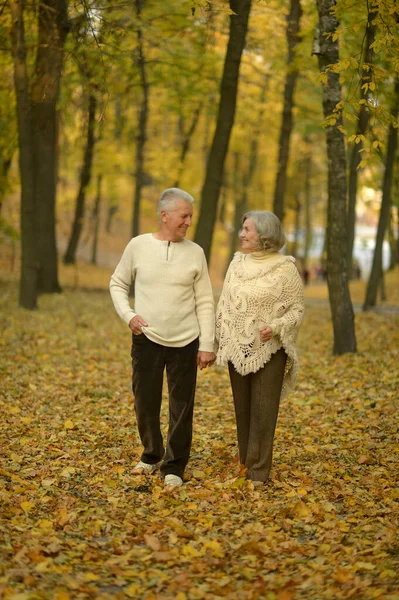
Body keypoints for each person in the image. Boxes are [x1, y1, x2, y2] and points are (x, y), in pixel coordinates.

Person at [110, 188, 216, 488]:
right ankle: (151, 454)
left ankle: (174, 465)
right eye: (184, 216)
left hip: (186, 342)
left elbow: (205, 301)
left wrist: (207, 344)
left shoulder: (196, 252)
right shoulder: (138, 246)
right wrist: (128, 315)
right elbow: (118, 282)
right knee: (145, 402)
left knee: (182, 407)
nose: (188, 222)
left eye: (191, 217)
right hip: (147, 339)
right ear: (164, 215)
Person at [215, 211, 304, 487]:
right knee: (242, 410)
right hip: (236, 347)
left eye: (247, 229)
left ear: (264, 233)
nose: (241, 234)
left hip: (269, 350)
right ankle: (245, 465)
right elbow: (225, 305)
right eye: (242, 229)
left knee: (264, 411)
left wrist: (276, 327)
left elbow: (297, 308)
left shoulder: (285, 268)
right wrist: (217, 342)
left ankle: (258, 472)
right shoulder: (236, 263)